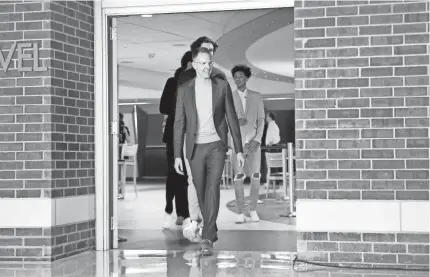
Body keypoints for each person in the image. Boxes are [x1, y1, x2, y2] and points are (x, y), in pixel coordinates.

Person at [173, 47, 244, 256]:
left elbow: (231, 118)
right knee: (201, 188)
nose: (207, 67)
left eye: (209, 63)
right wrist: (177, 154)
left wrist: (238, 149)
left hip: (216, 145)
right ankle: (211, 229)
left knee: (212, 187)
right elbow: (179, 123)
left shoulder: (221, 86)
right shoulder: (184, 89)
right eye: (202, 63)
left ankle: (207, 237)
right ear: (194, 65)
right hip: (195, 146)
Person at [178, 36, 228, 243]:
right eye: (205, 51)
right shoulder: (184, 80)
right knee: (196, 183)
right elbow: (179, 113)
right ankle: (200, 221)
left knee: (211, 185)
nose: (209, 55)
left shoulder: (220, 78)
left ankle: (206, 226)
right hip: (191, 139)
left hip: (214, 141)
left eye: (212, 52)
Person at [159, 51, 193, 229]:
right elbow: (163, 107)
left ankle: (180, 212)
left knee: (184, 175)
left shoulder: (197, 84)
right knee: (175, 173)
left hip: (191, 134)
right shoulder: (173, 83)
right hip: (173, 133)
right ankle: (174, 211)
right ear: (188, 64)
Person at [229, 65, 265, 223]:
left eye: (241, 76)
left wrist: (257, 140)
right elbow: (225, 121)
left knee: (256, 177)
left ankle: (253, 210)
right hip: (237, 144)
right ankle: (240, 212)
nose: (238, 79)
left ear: (247, 78)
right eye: (235, 76)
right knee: (238, 177)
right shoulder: (228, 97)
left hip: (253, 143)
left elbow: (261, 120)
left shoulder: (257, 97)